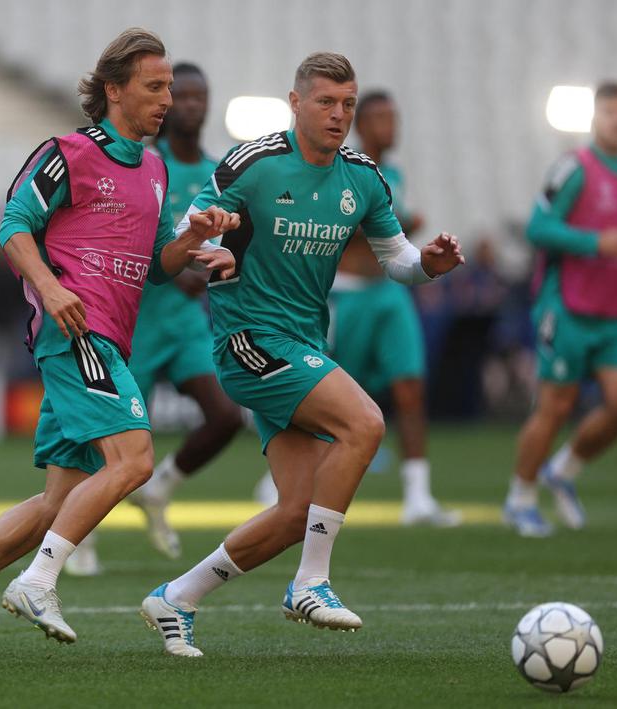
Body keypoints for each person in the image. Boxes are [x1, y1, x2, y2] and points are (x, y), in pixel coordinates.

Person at [0, 28, 238, 664]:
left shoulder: (154, 167)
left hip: (108, 334)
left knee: (57, 501)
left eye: (170, 86)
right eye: (154, 86)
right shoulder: (67, 152)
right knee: (136, 460)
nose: (167, 98)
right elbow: (14, 226)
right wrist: (49, 290)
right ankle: (38, 582)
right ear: (113, 90)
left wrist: (191, 234)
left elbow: (158, 268)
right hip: (75, 333)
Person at [138, 52, 464, 657]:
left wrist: (429, 266)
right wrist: (206, 243)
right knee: (365, 422)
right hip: (248, 341)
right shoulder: (253, 163)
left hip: (302, 343)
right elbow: (185, 229)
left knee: (295, 513)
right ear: (296, 103)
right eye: (325, 102)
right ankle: (311, 584)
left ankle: (176, 598)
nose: (338, 115)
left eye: (346, 103)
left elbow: (397, 259)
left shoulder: (363, 177)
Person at [65, 63, 243, 575]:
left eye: (197, 95)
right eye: (177, 93)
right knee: (108, 440)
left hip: (184, 320)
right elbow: (119, 240)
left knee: (226, 415)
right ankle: (82, 538)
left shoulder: (219, 172)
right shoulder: (143, 162)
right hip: (135, 317)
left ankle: (161, 488)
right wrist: (173, 261)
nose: (187, 103)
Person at [254, 90, 460, 526]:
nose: (390, 126)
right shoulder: (342, 170)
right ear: (361, 125)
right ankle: (280, 475)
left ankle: (418, 495)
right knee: (317, 390)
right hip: (344, 295)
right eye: (380, 117)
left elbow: (396, 234)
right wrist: (398, 224)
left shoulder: (395, 174)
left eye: (394, 116)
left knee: (410, 387)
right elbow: (339, 228)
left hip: (388, 291)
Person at [503, 81, 617, 537]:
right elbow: (537, 227)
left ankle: (562, 470)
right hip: (566, 306)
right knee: (555, 406)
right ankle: (520, 498)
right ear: (595, 118)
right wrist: (595, 242)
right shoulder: (574, 168)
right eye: (609, 112)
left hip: (615, 311)